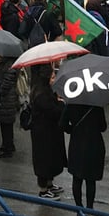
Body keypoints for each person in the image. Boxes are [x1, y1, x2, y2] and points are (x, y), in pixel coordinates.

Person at [60, 102, 107, 216]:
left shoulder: (71, 103)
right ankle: (89, 208)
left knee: (77, 178)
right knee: (91, 179)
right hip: (94, 144)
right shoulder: (96, 104)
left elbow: (62, 124)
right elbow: (103, 127)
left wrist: (72, 129)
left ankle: (79, 209)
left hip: (77, 143)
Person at [27, 63, 66, 199]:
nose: (54, 78)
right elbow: (54, 112)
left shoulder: (45, 91)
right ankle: (43, 190)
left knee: (51, 159)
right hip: (43, 133)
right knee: (44, 160)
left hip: (49, 132)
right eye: (52, 76)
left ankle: (49, 184)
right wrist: (60, 103)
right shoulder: (42, 95)